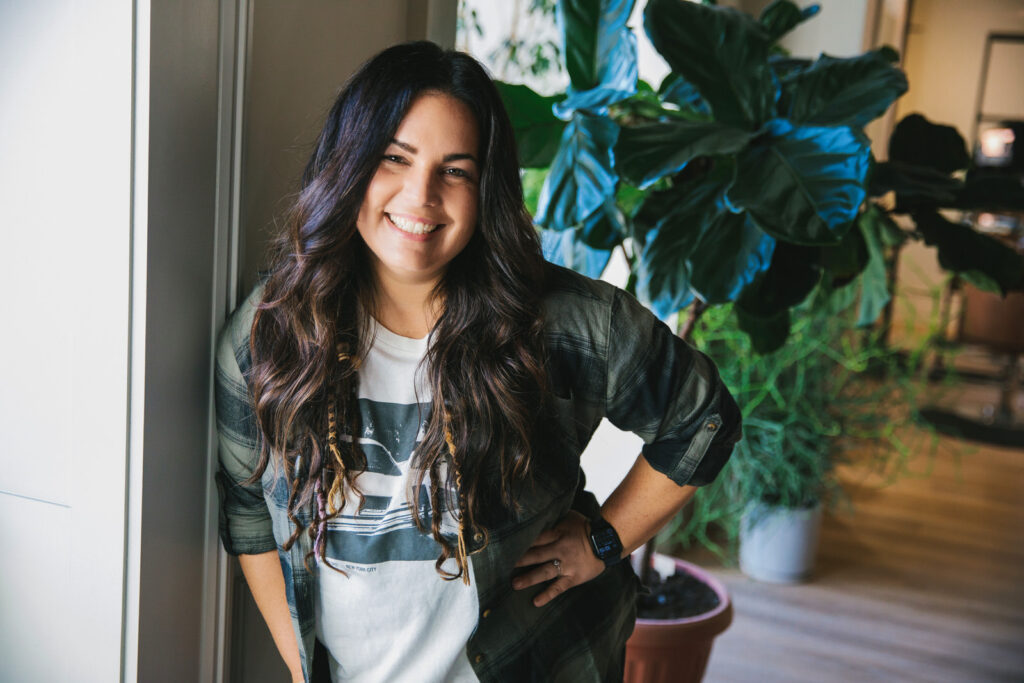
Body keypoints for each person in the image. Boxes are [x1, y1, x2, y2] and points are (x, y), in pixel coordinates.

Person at [215, 41, 741, 683]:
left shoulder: (567, 322)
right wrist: (302, 672)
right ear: (348, 163)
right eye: (394, 159)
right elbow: (248, 512)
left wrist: (602, 540)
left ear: (485, 186)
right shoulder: (267, 336)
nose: (421, 196)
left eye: (455, 170)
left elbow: (703, 418)